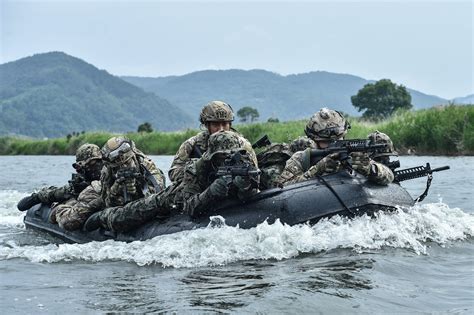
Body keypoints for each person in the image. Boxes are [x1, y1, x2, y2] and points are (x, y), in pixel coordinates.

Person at [84, 130, 259, 232]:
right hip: (171, 199)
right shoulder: (196, 168)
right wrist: (212, 191)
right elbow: (190, 206)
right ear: (210, 157)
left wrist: (245, 186)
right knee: (124, 217)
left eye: (232, 156)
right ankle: (103, 217)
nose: (227, 160)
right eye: (221, 157)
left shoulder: (244, 165)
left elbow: (253, 193)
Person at [276, 108, 394, 186]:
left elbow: (389, 176)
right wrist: (316, 170)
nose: (334, 144)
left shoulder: (352, 154)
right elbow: (280, 187)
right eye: (326, 142)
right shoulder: (302, 158)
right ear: (314, 140)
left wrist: (370, 169)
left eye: (339, 139)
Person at [168, 100, 256, 184]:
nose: (221, 129)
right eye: (216, 125)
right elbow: (173, 173)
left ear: (230, 124)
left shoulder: (243, 144)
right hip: (201, 192)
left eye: (224, 124)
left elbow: (255, 174)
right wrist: (198, 168)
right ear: (207, 125)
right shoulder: (192, 144)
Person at [17, 143, 103, 212]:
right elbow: (55, 194)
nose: (97, 166)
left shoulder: (109, 174)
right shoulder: (79, 185)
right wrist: (36, 198)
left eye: (98, 162)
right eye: (91, 163)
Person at [100, 136, 166, 207]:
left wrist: (138, 189)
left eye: (127, 162)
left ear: (133, 156)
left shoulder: (145, 164)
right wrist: (114, 191)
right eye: (119, 166)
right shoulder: (107, 172)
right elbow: (105, 202)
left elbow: (158, 191)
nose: (124, 167)